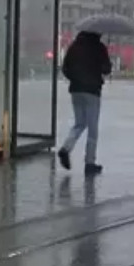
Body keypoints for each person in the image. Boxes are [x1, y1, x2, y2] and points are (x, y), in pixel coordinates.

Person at [57, 30, 112, 174]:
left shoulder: (74, 46)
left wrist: (75, 79)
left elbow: (65, 68)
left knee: (79, 123)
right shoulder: (99, 48)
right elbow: (107, 70)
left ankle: (65, 148)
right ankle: (90, 163)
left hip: (76, 90)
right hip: (92, 92)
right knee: (92, 129)